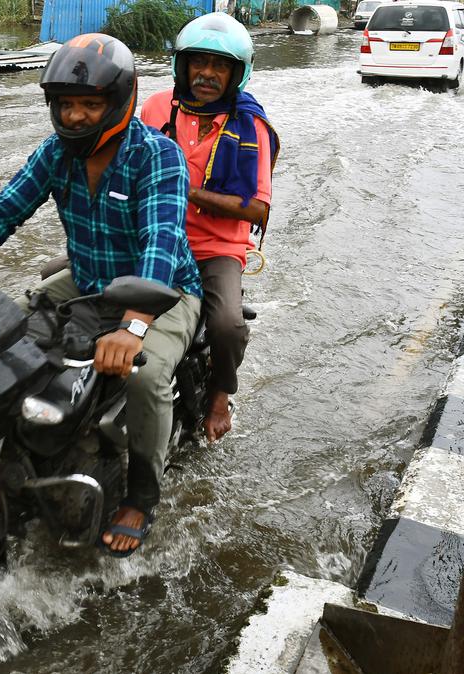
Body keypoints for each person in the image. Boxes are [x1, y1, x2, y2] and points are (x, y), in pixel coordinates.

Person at [0, 34, 202, 557]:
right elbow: (3, 211)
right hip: (88, 280)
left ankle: (141, 495)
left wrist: (134, 327)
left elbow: (160, 244)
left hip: (163, 291)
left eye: (89, 105)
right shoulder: (55, 154)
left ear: (120, 102)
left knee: (147, 378)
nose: (74, 117)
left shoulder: (158, 157)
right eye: (66, 105)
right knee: (0, 337)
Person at [140, 12, 280, 442]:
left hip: (216, 247)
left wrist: (187, 191)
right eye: (199, 62)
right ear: (182, 66)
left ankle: (220, 394)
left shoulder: (250, 125)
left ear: (237, 73)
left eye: (220, 66)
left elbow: (258, 210)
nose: (207, 73)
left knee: (226, 325)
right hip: (155, 235)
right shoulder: (157, 107)